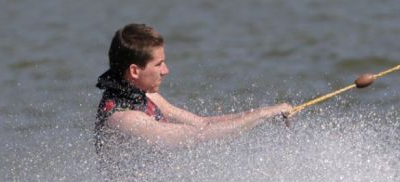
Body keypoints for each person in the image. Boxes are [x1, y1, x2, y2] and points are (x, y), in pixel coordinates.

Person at [94, 23, 292, 152]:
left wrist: (263, 113)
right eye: (158, 64)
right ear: (135, 71)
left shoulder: (147, 96)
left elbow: (202, 124)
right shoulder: (124, 119)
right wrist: (262, 115)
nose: (166, 70)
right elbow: (200, 137)